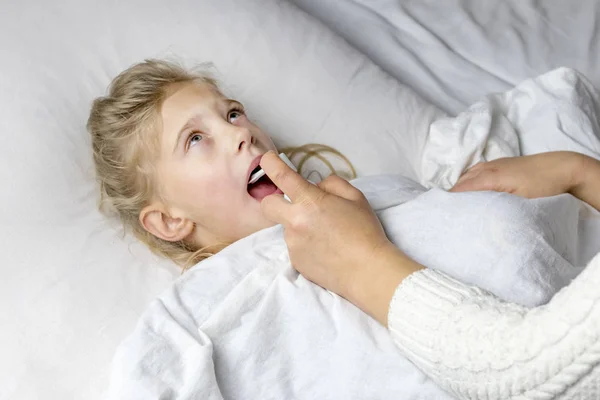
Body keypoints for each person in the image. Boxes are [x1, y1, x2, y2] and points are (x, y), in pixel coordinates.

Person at [258, 150, 600, 399]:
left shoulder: (377, 190)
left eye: (234, 113)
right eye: (199, 138)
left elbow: (535, 374)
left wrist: (363, 264)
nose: (240, 132)